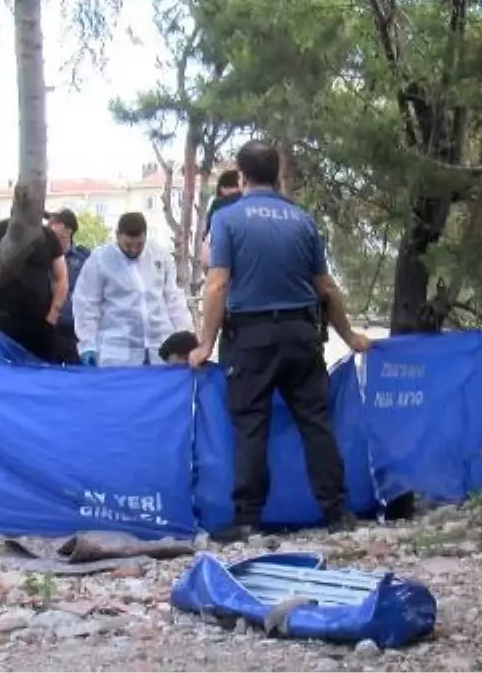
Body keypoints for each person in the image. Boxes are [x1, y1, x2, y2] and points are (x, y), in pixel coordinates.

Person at [188, 139, 371, 543]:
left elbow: (217, 285)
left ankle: (248, 519)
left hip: (250, 339)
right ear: (278, 174)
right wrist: (350, 335)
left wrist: (204, 343)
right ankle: (337, 512)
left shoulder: (228, 220)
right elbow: (325, 287)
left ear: (241, 175)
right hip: (303, 336)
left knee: (251, 425)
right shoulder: (302, 221)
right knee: (316, 423)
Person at [72, 212, 194, 367]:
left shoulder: (159, 255)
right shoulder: (99, 261)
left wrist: (186, 335)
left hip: (160, 348)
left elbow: (174, 299)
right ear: (117, 236)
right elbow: (86, 304)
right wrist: (87, 344)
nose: (134, 250)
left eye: (139, 244)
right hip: (117, 351)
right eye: (128, 245)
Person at [0, 213, 68, 362]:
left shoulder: (47, 235)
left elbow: (62, 278)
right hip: (5, 322)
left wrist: (53, 316)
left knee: (42, 375)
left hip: (42, 324)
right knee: (4, 376)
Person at [45, 208, 90, 364]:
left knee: (77, 378)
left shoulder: (85, 258)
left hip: (76, 332)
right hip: (51, 329)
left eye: (55, 224)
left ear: (68, 230)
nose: (50, 227)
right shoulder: (43, 258)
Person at [200, 169, 242, 271]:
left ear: (222, 188)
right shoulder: (248, 202)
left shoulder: (218, 204)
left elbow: (207, 233)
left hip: (221, 260)